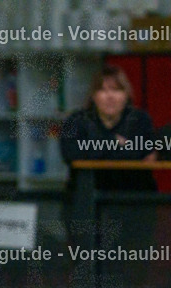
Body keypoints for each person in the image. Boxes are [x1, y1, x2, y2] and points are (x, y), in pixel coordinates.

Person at [60, 64, 157, 192]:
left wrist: (94, 148)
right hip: (88, 194)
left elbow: (142, 153)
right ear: (93, 96)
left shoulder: (140, 120)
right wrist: (114, 141)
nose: (110, 96)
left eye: (116, 90)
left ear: (126, 95)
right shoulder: (75, 120)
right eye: (103, 90)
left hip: (133, 194)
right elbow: (71, 154)